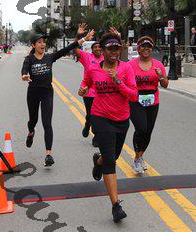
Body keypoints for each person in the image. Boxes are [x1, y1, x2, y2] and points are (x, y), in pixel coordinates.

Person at [78, 32, 138, 223]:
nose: (114, 52)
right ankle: (115, 206)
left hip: (122, 119)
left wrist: (118, 81)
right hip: (101, 117)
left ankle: (98, 162)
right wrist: (83, 89)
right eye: (110, 48)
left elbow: (134, 95)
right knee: (111, 163)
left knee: (113, 156)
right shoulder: (94, 68)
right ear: (103, 51)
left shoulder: (126, 68)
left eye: (117, 48)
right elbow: (86, 82)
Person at [22, 24, 95, 167]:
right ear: (34, 45)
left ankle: (48, 154)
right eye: (39, 42)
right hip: (33, 93)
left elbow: (67, 49)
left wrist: (83, 39)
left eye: (44, 42)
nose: (43, 44)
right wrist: (24, 75)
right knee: (33, 121)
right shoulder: (29, 59)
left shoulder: (49, 57)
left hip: (47, 93)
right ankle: (31, 132)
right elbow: (24, 69)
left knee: (47, 123)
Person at [128, 36, 168, 174]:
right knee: (141, 128)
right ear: (138, 49)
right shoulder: (130, 65)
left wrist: (161, 76)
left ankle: (139, 157)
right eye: (143, 46)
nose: (146, 49)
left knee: (148, 131)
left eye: (149, 47)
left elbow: (165, 85)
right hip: (135, 100)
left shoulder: (158, 65)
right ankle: (137, 160)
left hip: (153, 100)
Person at [75, 39, 103, 146]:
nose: (97, 49)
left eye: (99, 47)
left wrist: (117, 36)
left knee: (99, 115)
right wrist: (79, 37)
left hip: (101, 91)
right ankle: (88, 124)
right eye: (95, 47)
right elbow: (74, 48)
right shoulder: (87, 57)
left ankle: (96, 136)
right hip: (88, 90)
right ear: (92, 50)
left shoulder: (105, 58)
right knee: (90, 114)